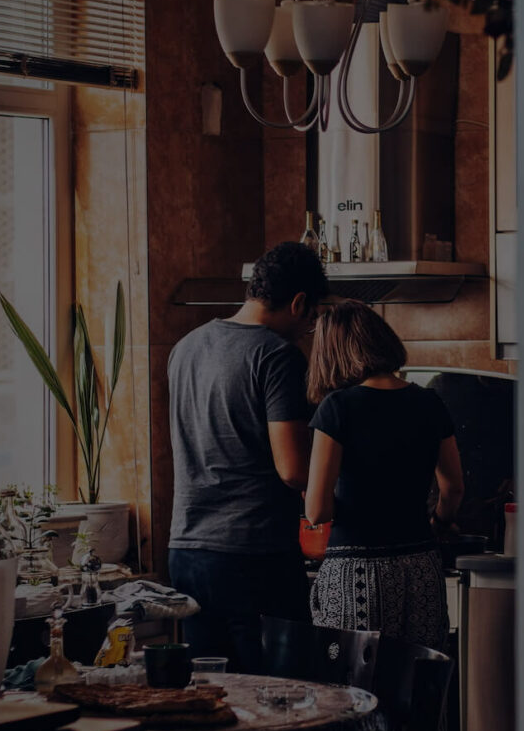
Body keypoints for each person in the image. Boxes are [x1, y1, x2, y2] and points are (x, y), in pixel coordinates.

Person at [167, 242, 328, 671]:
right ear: (298, 303)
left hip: (187, 550)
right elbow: (293, 471)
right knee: (283, 702)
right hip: (253, 555)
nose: (308, 329)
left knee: (213, 698)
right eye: (312, 318)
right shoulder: (277, 356)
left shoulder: (185, 348)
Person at [304, 300, 465, 650]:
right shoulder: (429, 402)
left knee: (353, 692)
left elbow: (317, 512)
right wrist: (438, 524)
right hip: (421, 566)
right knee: (419, 684)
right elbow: (452, 488)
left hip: (356, 572)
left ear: (332, 353)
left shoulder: (337, 408)